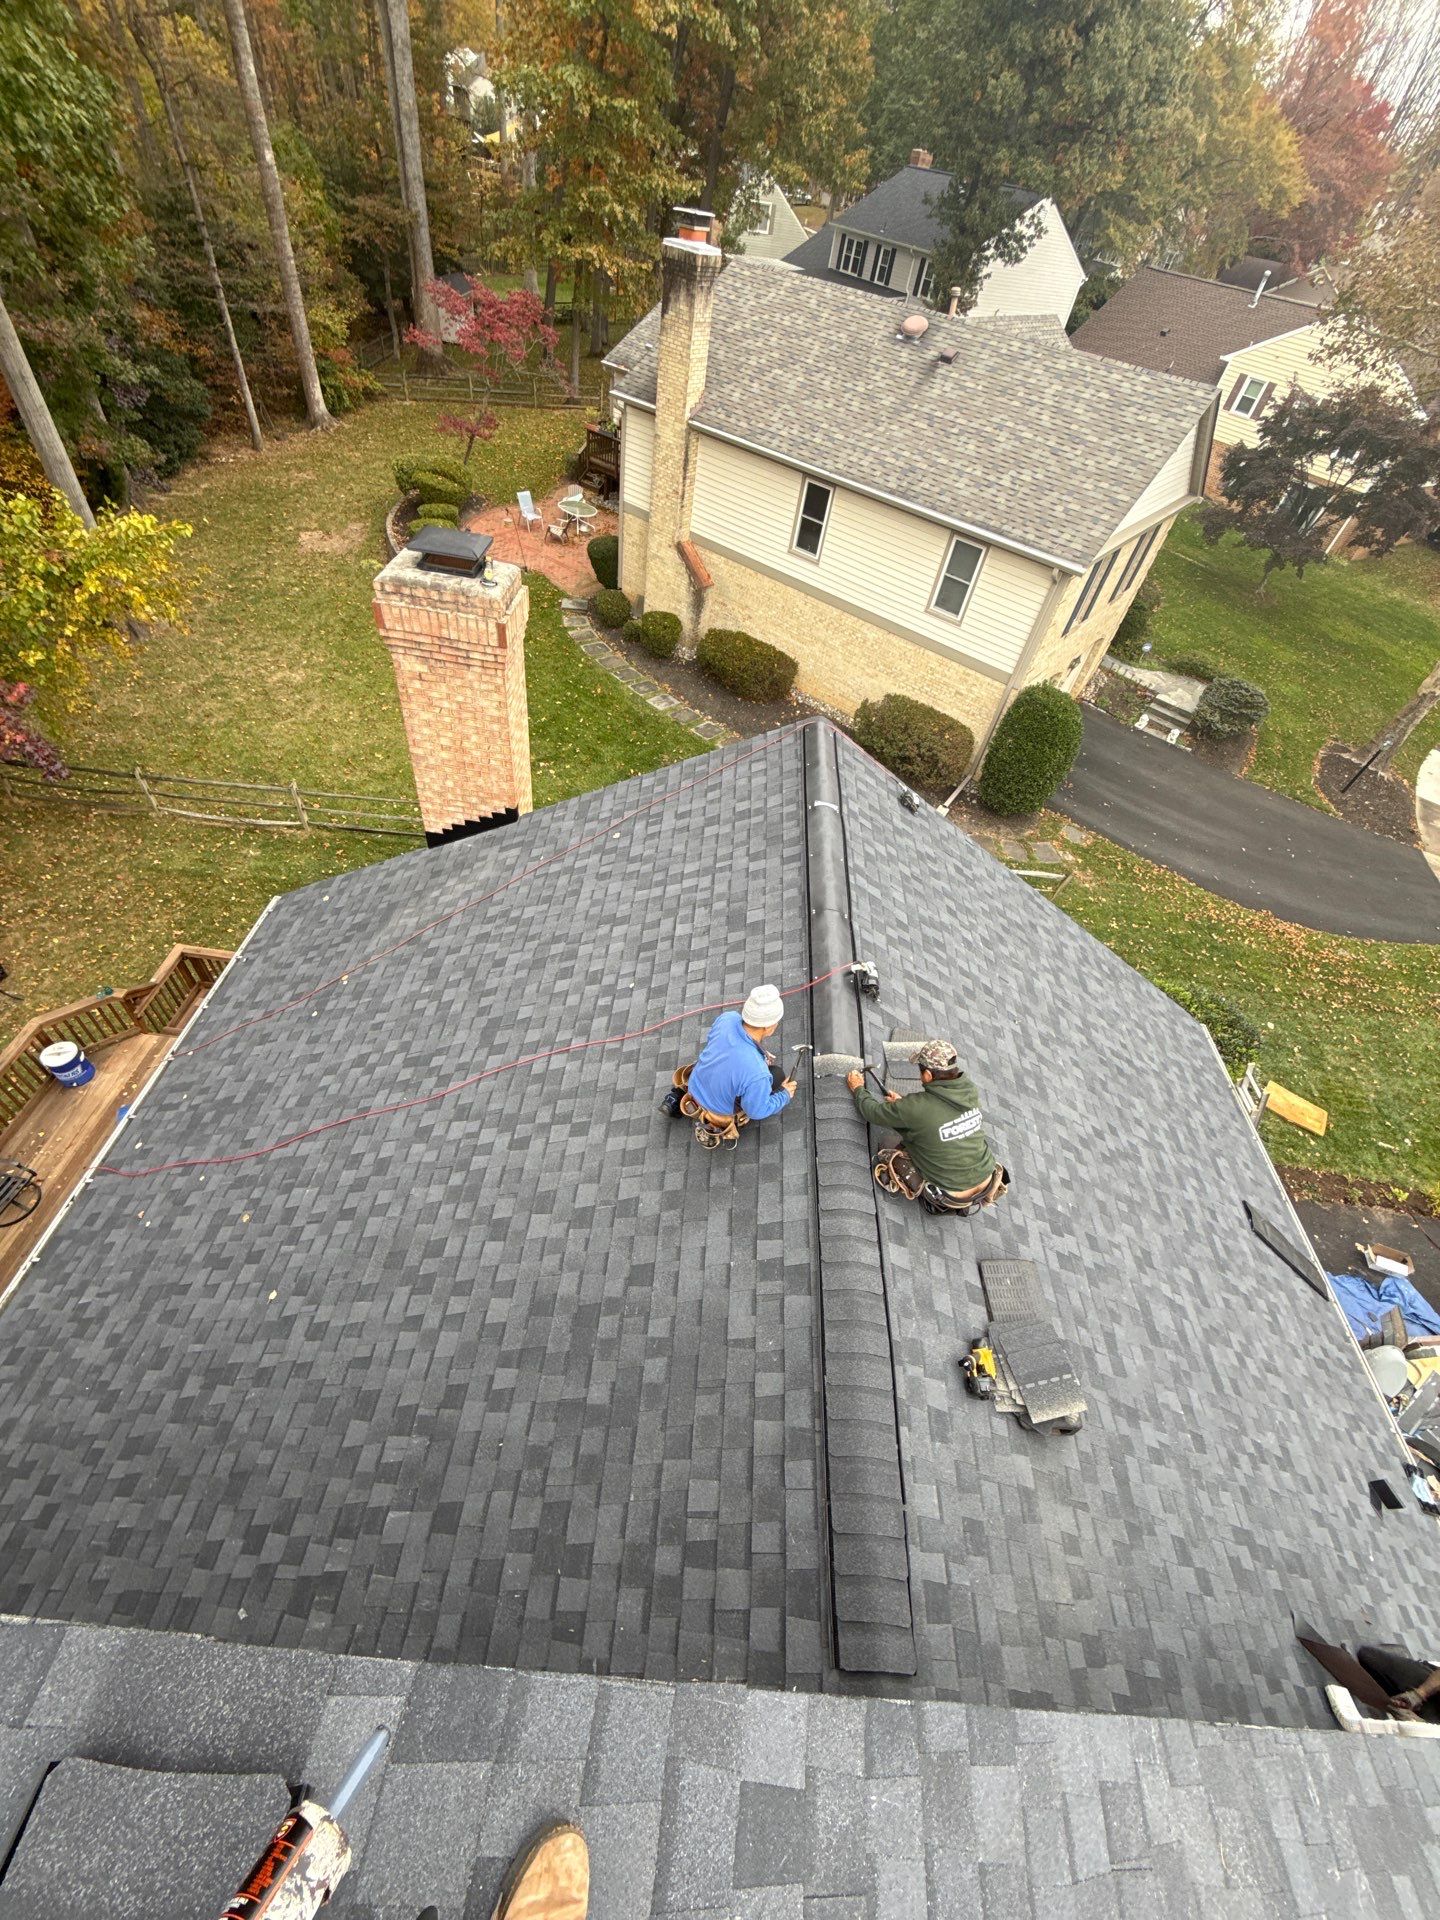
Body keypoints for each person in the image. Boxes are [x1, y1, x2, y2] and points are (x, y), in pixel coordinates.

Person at [847, 1039, 1006, 1216]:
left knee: (887, 1142)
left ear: (929, 1075)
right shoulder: (969, 1089)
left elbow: (872, 1112)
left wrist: (859, 1089)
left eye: (921, 1071)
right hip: (987, 1180)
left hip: (950, 1195)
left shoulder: (915, 1108)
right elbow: (936, 1114)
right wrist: (903, 1106)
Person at [665, 983, 796, 1149]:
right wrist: (784, 1095)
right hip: (718, 1110)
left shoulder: (727, 1019)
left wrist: (759, 1054)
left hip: (694, 1086)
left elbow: (725, 1048)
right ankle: (719, 1121)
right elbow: (756, 1111)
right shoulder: (757, 1073)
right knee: (777, 1075)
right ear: (768, 1026)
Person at [1356, 1644, 1440, 1722]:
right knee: (1368, 1656)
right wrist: (1419, 1694)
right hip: (1433, 1688)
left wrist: (1417, 1724)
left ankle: (1394, 1698)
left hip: (1434, 1724)